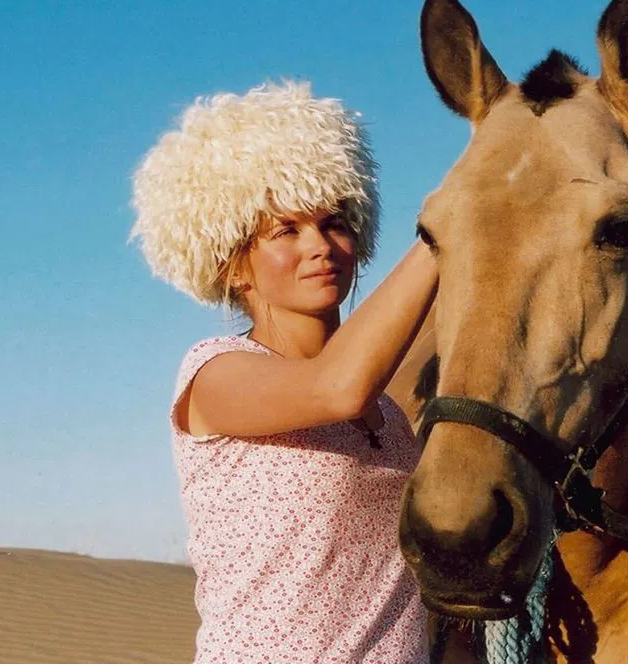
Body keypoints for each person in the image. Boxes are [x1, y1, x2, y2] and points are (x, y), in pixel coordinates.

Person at [129, 80, 436, 663]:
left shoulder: (392, 416)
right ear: (235, 268)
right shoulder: (215, 375)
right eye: (286, 231)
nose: (320, 245)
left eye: (335, 222)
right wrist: (440, 237)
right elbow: (337, 387)